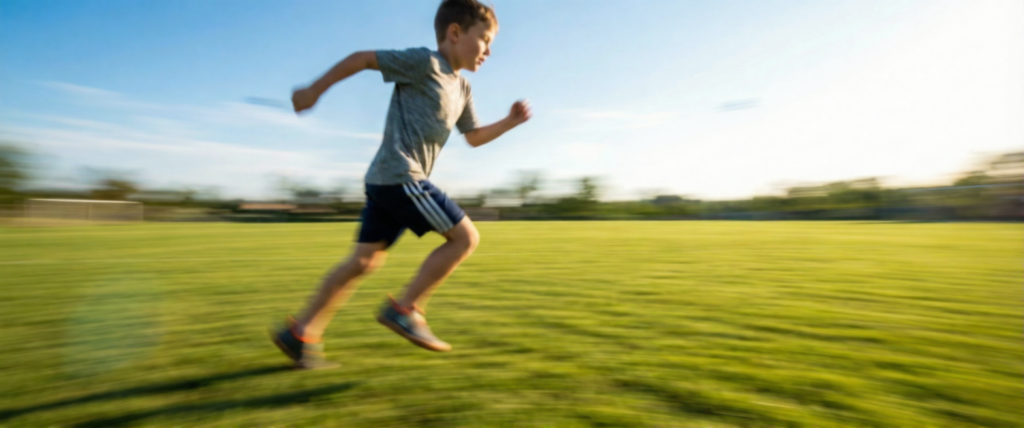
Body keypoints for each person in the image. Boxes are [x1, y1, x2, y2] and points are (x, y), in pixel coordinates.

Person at [272, 0, 531, 369]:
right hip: (400, 175)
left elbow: (473, 137)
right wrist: (314, 90)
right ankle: (406, 309)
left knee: (364, 261)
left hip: (386, 181)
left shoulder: (463, 88)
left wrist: (509, 122)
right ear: (455, 33)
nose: (489, 50)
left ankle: (300, 334)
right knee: (465, 238)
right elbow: (363, 58)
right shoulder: (425, 63)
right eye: (485, 40)